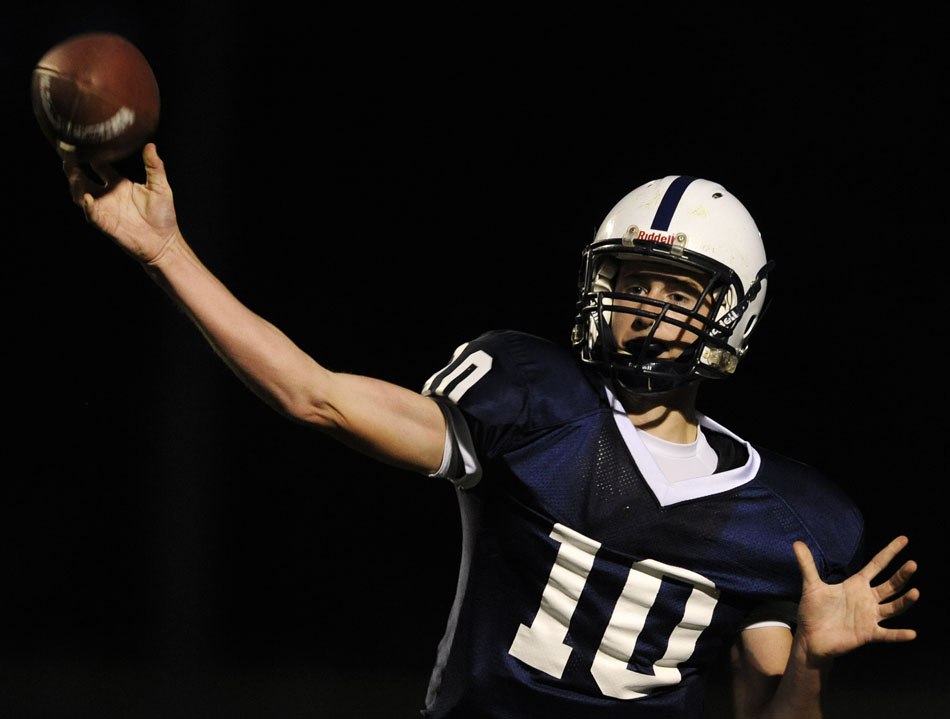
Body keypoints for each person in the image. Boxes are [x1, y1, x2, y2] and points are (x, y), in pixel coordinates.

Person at [64, 146, 918, 718]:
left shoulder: (790, 520)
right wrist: (165, 252)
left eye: (676, 291)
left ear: (733, 313)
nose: (643, 310)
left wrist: (814, 657)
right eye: (629, 280)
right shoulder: (532, 399)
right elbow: (314, 396)